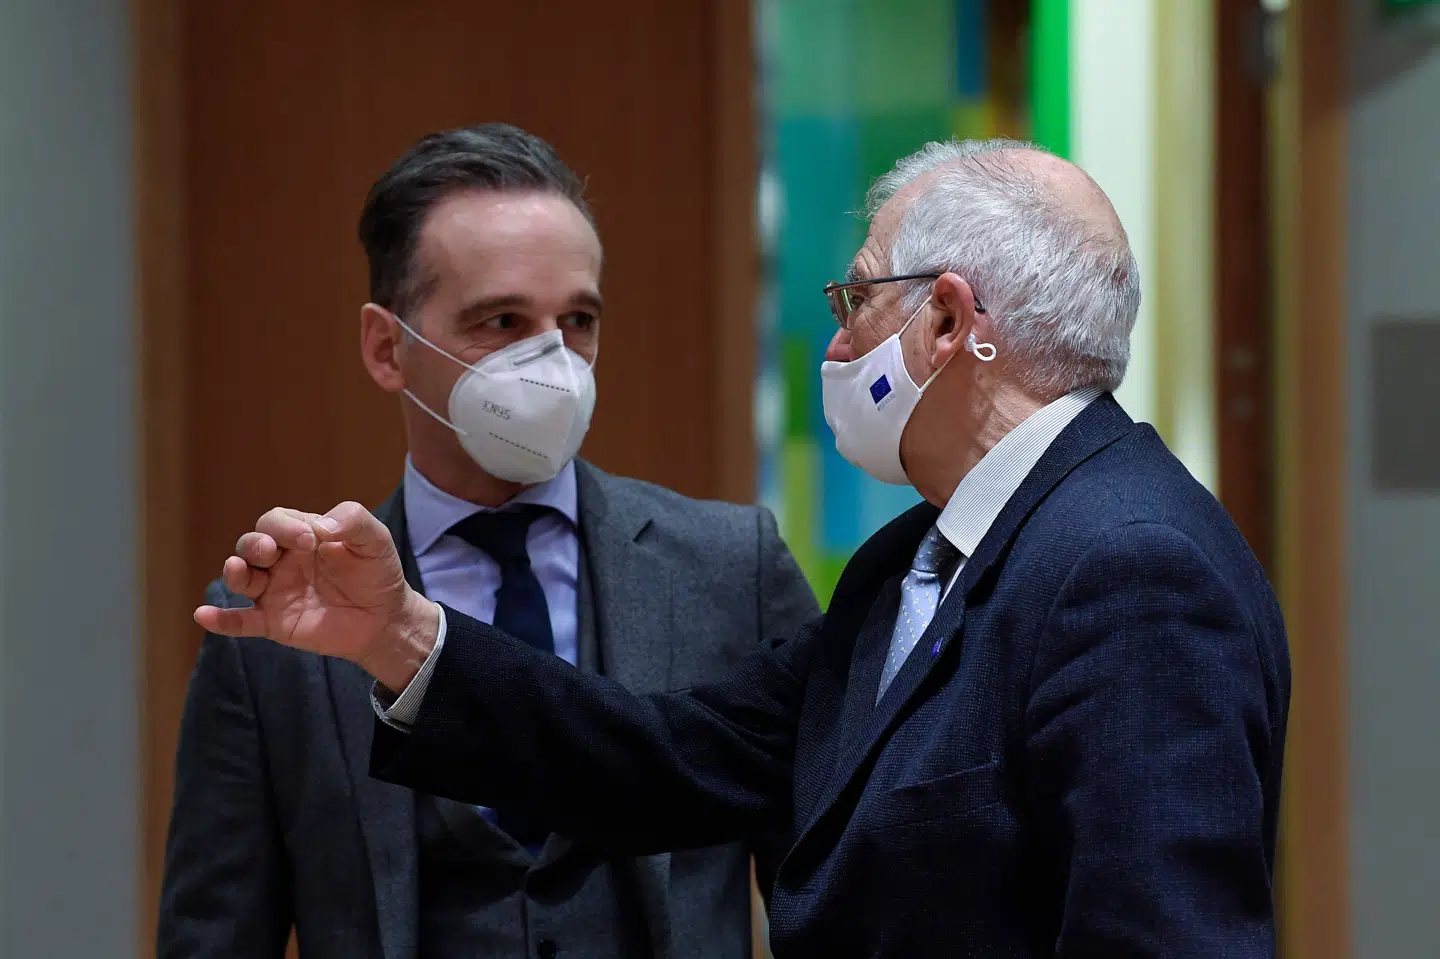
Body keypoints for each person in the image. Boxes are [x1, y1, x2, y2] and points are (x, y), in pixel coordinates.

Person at [199, 139, 1291, 958]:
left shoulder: (1130, 566)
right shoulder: (909, 561)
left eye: (856, 299)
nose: (839, 339)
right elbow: (671, 758)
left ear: (949, 322)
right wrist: (402, 635)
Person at [159, 123, 820, 959]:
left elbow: (828, 893)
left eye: (578, 320)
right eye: (502, 321)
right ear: (387, 348)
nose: (553, 362)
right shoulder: (272, 626)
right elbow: (213, 936)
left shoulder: (731, 567)